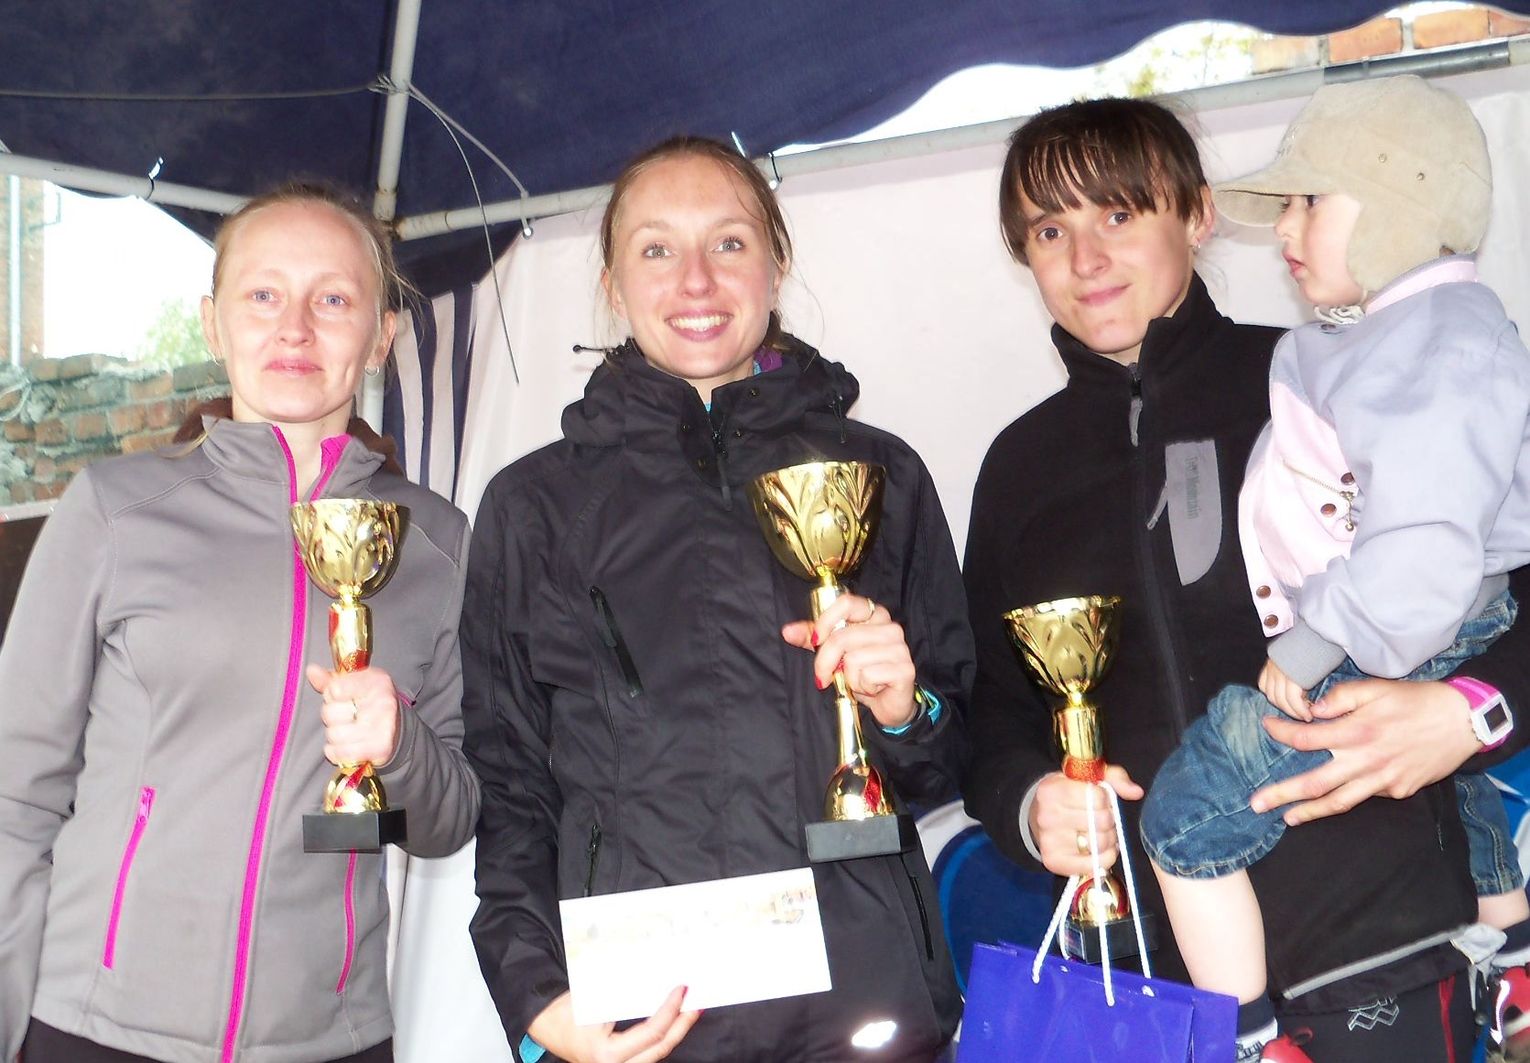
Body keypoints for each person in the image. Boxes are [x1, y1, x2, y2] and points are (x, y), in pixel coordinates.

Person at [961, 96, 1530, 1062]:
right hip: (1151, 988)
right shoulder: (1018, 469)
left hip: (1385, 951)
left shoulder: (1329, 374)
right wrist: (1029, 803)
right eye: (1050, 230)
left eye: (1119, 213)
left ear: (1197, 213)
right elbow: (993, 715)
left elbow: (1504, 589)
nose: (1086, 258)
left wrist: (1471, 712)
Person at [460, 136, 971, 1063]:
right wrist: (538, 997)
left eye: (729, 242)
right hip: (647, 1023)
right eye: (656, 248)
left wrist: (906, 709)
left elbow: (952, 753)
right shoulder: (533, 507)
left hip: (861, 1005)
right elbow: (509, 781)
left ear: (776, 265)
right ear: (614, 285)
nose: (695, 279)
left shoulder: (881, 475)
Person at [0, 183, 480, 1063]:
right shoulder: (114, 510)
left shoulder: (437, 545)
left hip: (330, 1040)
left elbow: (449, 818)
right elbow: (14, 793)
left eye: (332, 300)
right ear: (212, 323)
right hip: (95, 1027)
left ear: (382, 335)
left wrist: (400, 748)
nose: (294, 328)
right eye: (263, 294)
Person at [1138, 75, 1530, 1062]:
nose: (1285, 227)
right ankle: (1514, 948)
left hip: (1391, 629)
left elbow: (1424, 548)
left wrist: (1314, 644)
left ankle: (1247, 1033)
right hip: (1421, 621)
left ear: (1402, 202)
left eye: (1311, 199)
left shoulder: (1435, 347)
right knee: (1464, 774)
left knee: (1184, 818)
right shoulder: (1384, 338)